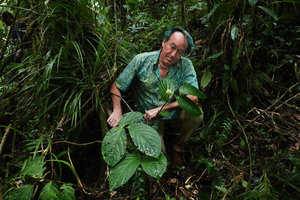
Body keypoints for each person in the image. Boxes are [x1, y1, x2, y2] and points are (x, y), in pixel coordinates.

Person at [107, 26, 203, 165]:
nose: (173, 54)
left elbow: (193, 98)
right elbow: (117, 86)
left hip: (171, 112)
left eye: (180, 52)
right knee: (157, 157)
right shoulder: (141, 60)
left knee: (196, 114)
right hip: (149, 118)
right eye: (172, 47)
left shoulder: (185, 65)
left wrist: (160, 109)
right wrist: (117, 110)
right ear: (164, 42)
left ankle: (179, 147)